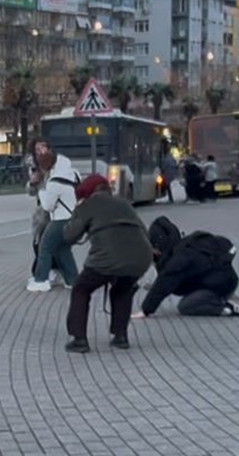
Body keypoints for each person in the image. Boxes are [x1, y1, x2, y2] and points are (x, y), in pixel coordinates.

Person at [62, 174, 154, 353]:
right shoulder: (124, 204)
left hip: (106, 259)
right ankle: (120, 337)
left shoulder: (87, 205)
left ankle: (79, 339)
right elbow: (143, 229)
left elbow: (69, 236)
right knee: (122, 289)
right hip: (140, 257)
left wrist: (76, 212)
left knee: (81, 289)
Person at [139, 217, 239, 318]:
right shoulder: (185, 246)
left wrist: (145, 310)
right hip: (226, 280)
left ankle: (226, 308)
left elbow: (164, 283)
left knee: (186, 306)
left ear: (157, 246)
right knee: (192, 296)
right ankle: (223, 296)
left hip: (217, 285)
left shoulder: (179, 260)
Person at [28, 149, 80, 292]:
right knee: (62, 249)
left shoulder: (54, 181)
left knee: (45, 247)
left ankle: (41, 280)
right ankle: (73, 279)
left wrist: (42, 192)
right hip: (73, 218)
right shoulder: (72, 174)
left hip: (59, 219)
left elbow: (48, 205)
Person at [27, 138, 67, 286]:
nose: (40, 152)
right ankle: (56, 271)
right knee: (39, 242)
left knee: (48, 243)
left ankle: (44, 273)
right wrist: (32, 182)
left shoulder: (56, 165)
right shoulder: (34, 168)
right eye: (37, 149)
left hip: (56, 209)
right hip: (41, 211)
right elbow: (31, 192)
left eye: (43, 148)